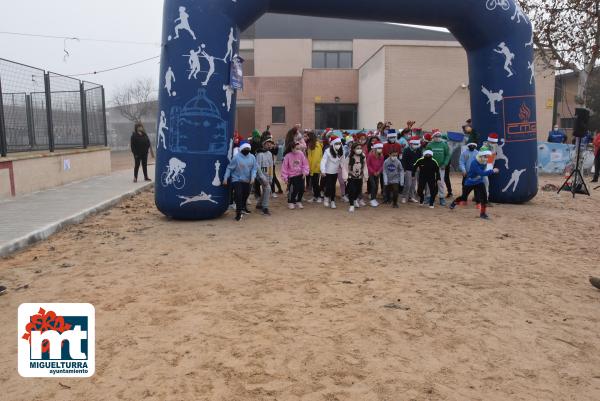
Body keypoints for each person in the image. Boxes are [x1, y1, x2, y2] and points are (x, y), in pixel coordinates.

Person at [450, 150, 500, 219]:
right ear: (481, 156)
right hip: (470, 182)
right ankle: (454, 202)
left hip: (479, 182)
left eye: (487, 157)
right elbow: (482, 173)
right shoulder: (474, 163)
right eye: (485, 157)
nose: (486, 158)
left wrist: (492, 154)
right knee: (464, 197)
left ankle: (483, 214)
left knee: (484, 198)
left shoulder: (484, 161)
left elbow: (488, 167)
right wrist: (493, 171)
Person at [223, 142, 258, 221]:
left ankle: (243, 207)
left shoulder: (252, 157)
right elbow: (229, 168)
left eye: (248, 149)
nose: (247, 150)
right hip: (237, 179)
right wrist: (225, 178)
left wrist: (253, 177)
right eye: (245, 149)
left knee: (246, 194)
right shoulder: (236, 158)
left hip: (247, 180)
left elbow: (254, 168)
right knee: (238, 194)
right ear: (241, 149)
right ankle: (238, 213)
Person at [281, 141, 309, 209]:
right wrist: (285, 178)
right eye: (296, 148)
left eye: (298, 148)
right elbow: (284, 167)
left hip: (301, 175)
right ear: (291, 148)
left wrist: (305, 172)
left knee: (301, 189)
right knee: (293, 189)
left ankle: (298, 201)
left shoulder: (301, 154)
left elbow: (305, 164)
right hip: (292, 176)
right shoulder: (287, 156)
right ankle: (291, 202)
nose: (298, 150)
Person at [426, 130, 451, 206]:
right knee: (429, 182)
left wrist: (445, 164)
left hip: (441, 167)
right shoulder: (430, 145)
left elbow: (447, 155)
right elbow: (426, 155)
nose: (438, 137)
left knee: (440, 183)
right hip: (431, 167)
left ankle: (441, 197)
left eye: (439, 136)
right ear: (433, 137)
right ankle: (428, 196)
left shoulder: (444, 145)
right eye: (436, 136)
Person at [320, 135, 345, 209]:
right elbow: (323, 161)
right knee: (329, 186)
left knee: (333, 186)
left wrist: (343, 168)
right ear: (333, 144)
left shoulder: (341, 151)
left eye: (339, 144)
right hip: (327, 172)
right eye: (336, 144)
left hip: (335, 172)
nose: (338, 145)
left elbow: (342, 161)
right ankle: (326, 197)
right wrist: (323, 170)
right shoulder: (327, 151)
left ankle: (333, 200)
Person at [343, 142, 366, 212]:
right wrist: (345, 176)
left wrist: (366, 175)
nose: (359, 150)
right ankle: (351, 205)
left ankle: (355, 200)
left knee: (358, 190)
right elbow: (345, 167)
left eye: (360, 148)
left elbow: (365, 166)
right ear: (353, 149)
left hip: (359, 177)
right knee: (352, 190)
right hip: (351, 177)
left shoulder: (363, 156)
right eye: (357, 148)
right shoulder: (349, 157)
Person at [255, 137, 275, 215]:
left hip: (267, 175)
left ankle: (259, 204)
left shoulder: (269, 154)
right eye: (267, 143)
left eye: (270, 143)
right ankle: (265, 207)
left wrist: (271, 178)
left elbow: (270, 166)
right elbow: (258, 168)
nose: (269, 144)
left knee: (266, 189)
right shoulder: (259, 154)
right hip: (260, 175)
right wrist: (263, 178)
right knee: (267, 188)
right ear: (263, 144)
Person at [402, 136, 422, 203]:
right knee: (408, 184)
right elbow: (404, 161)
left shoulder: (419, 150)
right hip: (408, 170)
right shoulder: (406, 150)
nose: (416, 145)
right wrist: (404, 170)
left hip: (415, 170)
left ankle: (411, 197)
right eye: (414, 144)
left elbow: (420, 159)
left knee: (413, 184)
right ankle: (404, 197)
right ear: (411, 144)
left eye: (417, 144)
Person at [306, 131, 324, 202]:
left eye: (307, 136)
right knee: (314, 183)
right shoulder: (311, 144)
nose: (306, 137)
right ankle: (315, 196)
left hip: (315, 168)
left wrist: (311, 168)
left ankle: (318, 197)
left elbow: (316, 158)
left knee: (315, 183)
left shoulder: (317, 145)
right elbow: (310, 157)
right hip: (312, 168)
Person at [367, 141, 385, 207]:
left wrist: (379, 171)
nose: (380, 149)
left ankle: (374, 199)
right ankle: (372, 199)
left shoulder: (382, 156)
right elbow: (368, 165)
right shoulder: (370, 155)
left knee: (377, 186)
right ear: (375, 148)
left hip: (378, 173)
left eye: (381, 148)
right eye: (378, 148)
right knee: (373, 186)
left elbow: (382, 165)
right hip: (371, 173)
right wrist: (373, 172)